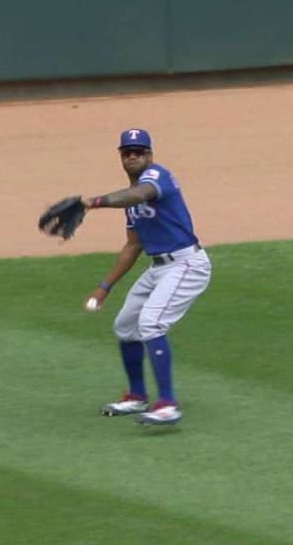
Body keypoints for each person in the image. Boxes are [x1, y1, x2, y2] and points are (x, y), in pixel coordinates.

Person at [81, 128, 212, 425]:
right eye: (127, 152)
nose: (133, 157)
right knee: (126, 326)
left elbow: (141, 193)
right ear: (121, 158)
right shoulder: (130, 204)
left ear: (149, 156)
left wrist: (94, 202)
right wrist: (104, 288)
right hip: (159, 268)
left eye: (139, 152)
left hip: (186, 264)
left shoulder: (157, 178)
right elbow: (133, 245)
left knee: (151, 324)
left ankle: (168, 404)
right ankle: (137, 397)